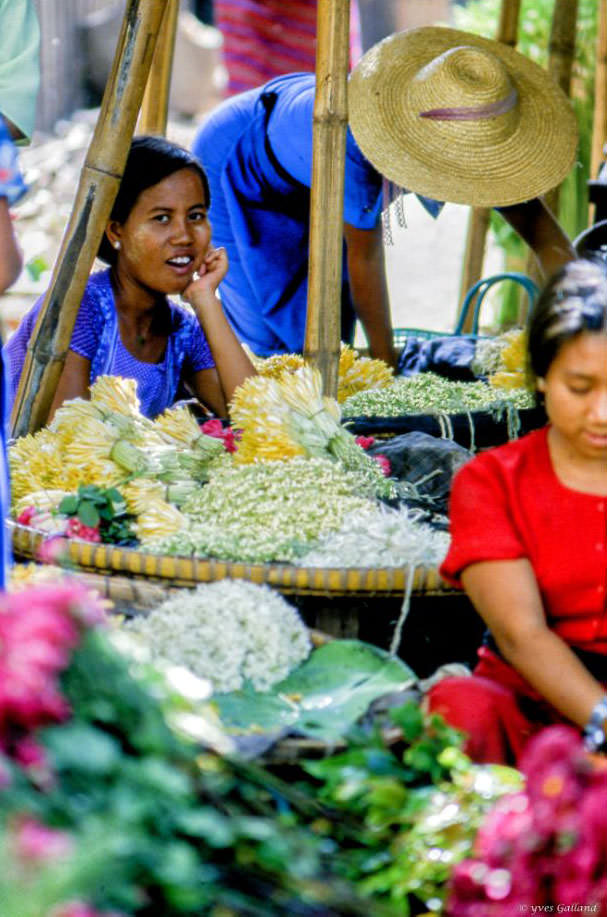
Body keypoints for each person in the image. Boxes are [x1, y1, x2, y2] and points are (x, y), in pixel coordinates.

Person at [191, 26, 577, 369]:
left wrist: (586, 321)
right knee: (278, 340)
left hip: (309, 162)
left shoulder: (482, 133)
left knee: (331, 337)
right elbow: (365, 258)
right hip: (239, 159)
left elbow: (545, 237)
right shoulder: (354, 142)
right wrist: (385, 367)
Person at [427, 258, 607, 764]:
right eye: (580, 387)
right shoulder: (493, 482)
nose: (602, 414)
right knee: (460, 710)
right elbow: (520, 633)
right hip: (528, 702)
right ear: (543, 376)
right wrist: (602, 722)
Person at [5, 136, 256, 421]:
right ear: (116, 232)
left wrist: (206, 299)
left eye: (196, 216)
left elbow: (257, 421)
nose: (184, 236)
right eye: (162, 218)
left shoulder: (183, 331)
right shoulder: (81, 311)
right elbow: (71, 438)